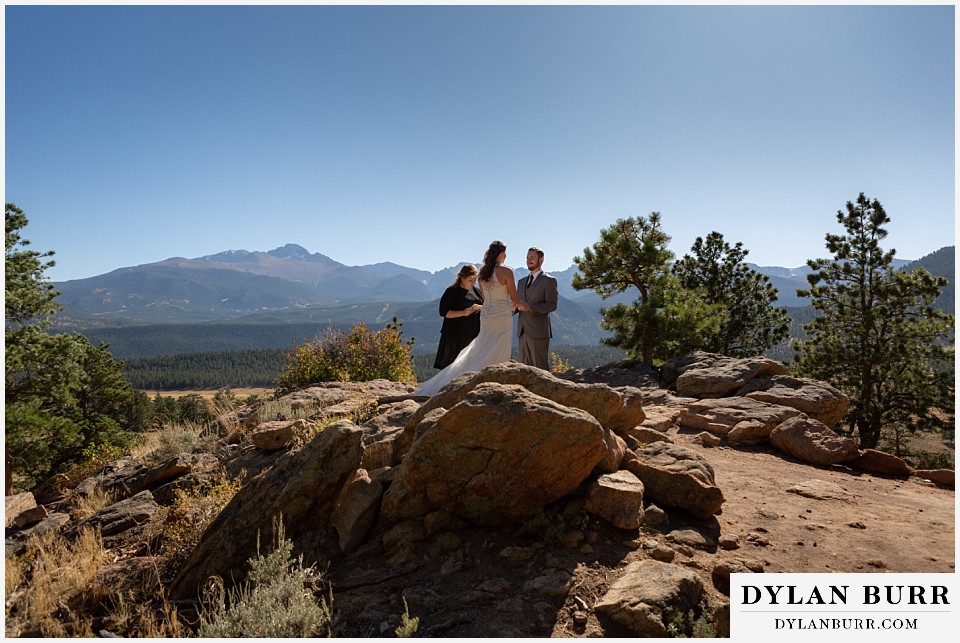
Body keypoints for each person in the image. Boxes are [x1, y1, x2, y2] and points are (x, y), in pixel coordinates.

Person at [416, 240, 529, 397]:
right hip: (501, 315)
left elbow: (485, 299)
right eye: (505, 253)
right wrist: (528, 307)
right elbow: (515, 300)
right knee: (499, 346)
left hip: (487, 314)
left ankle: (466, 378)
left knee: (481, 347)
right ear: (502, 254)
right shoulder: (507, 271)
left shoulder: (483, 273)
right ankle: (495, 384)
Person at [432, 264, 483, 370]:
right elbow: (443, 312)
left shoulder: (477, 291)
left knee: (470, 367)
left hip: (473, 334)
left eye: (475, 280)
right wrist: (463, 313)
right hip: (455, 335)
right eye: (470, 280)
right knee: (452, 368)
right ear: (462, 278)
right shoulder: (451, 292)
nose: (473, 283)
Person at [516, 246, 559, 370]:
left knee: (540, 370)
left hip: (538, 332)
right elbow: (520, 305)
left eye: (532, 258)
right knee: (524, 370)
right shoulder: (521, 282)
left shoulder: (549, 280)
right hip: (522, 332)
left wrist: (530, 307)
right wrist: (513, 308)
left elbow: (552, 305)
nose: (528, 260)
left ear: (541, 260)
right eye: (527, 258)